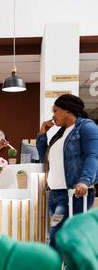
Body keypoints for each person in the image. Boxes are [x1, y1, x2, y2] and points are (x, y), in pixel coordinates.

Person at [37, 93, 98, 251]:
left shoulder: (86, 127)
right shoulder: (60, 133)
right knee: (63, 240)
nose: (53, 115)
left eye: (56, 110)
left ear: (67, 111)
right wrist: (42, 134)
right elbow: (43, 156)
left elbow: (93, 155)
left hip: (73, 194)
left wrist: (85, 180)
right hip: (55, 194)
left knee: (57, 238)